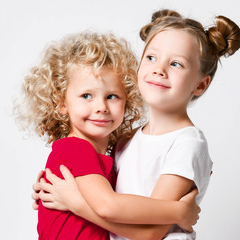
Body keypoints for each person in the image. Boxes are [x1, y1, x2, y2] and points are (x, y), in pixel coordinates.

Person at [33, 10, 240, 240]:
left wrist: (76, 203)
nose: (158, 69)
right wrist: (58, 195)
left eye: (176, 64)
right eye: (151, 58)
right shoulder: (125, 141)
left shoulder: (187, 144)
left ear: (200, 85)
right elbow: (101, 196)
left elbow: (151, 232)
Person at [15, 31, 200, 240]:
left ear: (126, 101)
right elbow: (107, 206)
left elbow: (134, 227)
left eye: (112, 96)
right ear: (62, 103)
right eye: (86, 96)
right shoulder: (75, 149)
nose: (101, 107)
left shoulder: (111, 156)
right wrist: (180, 211)